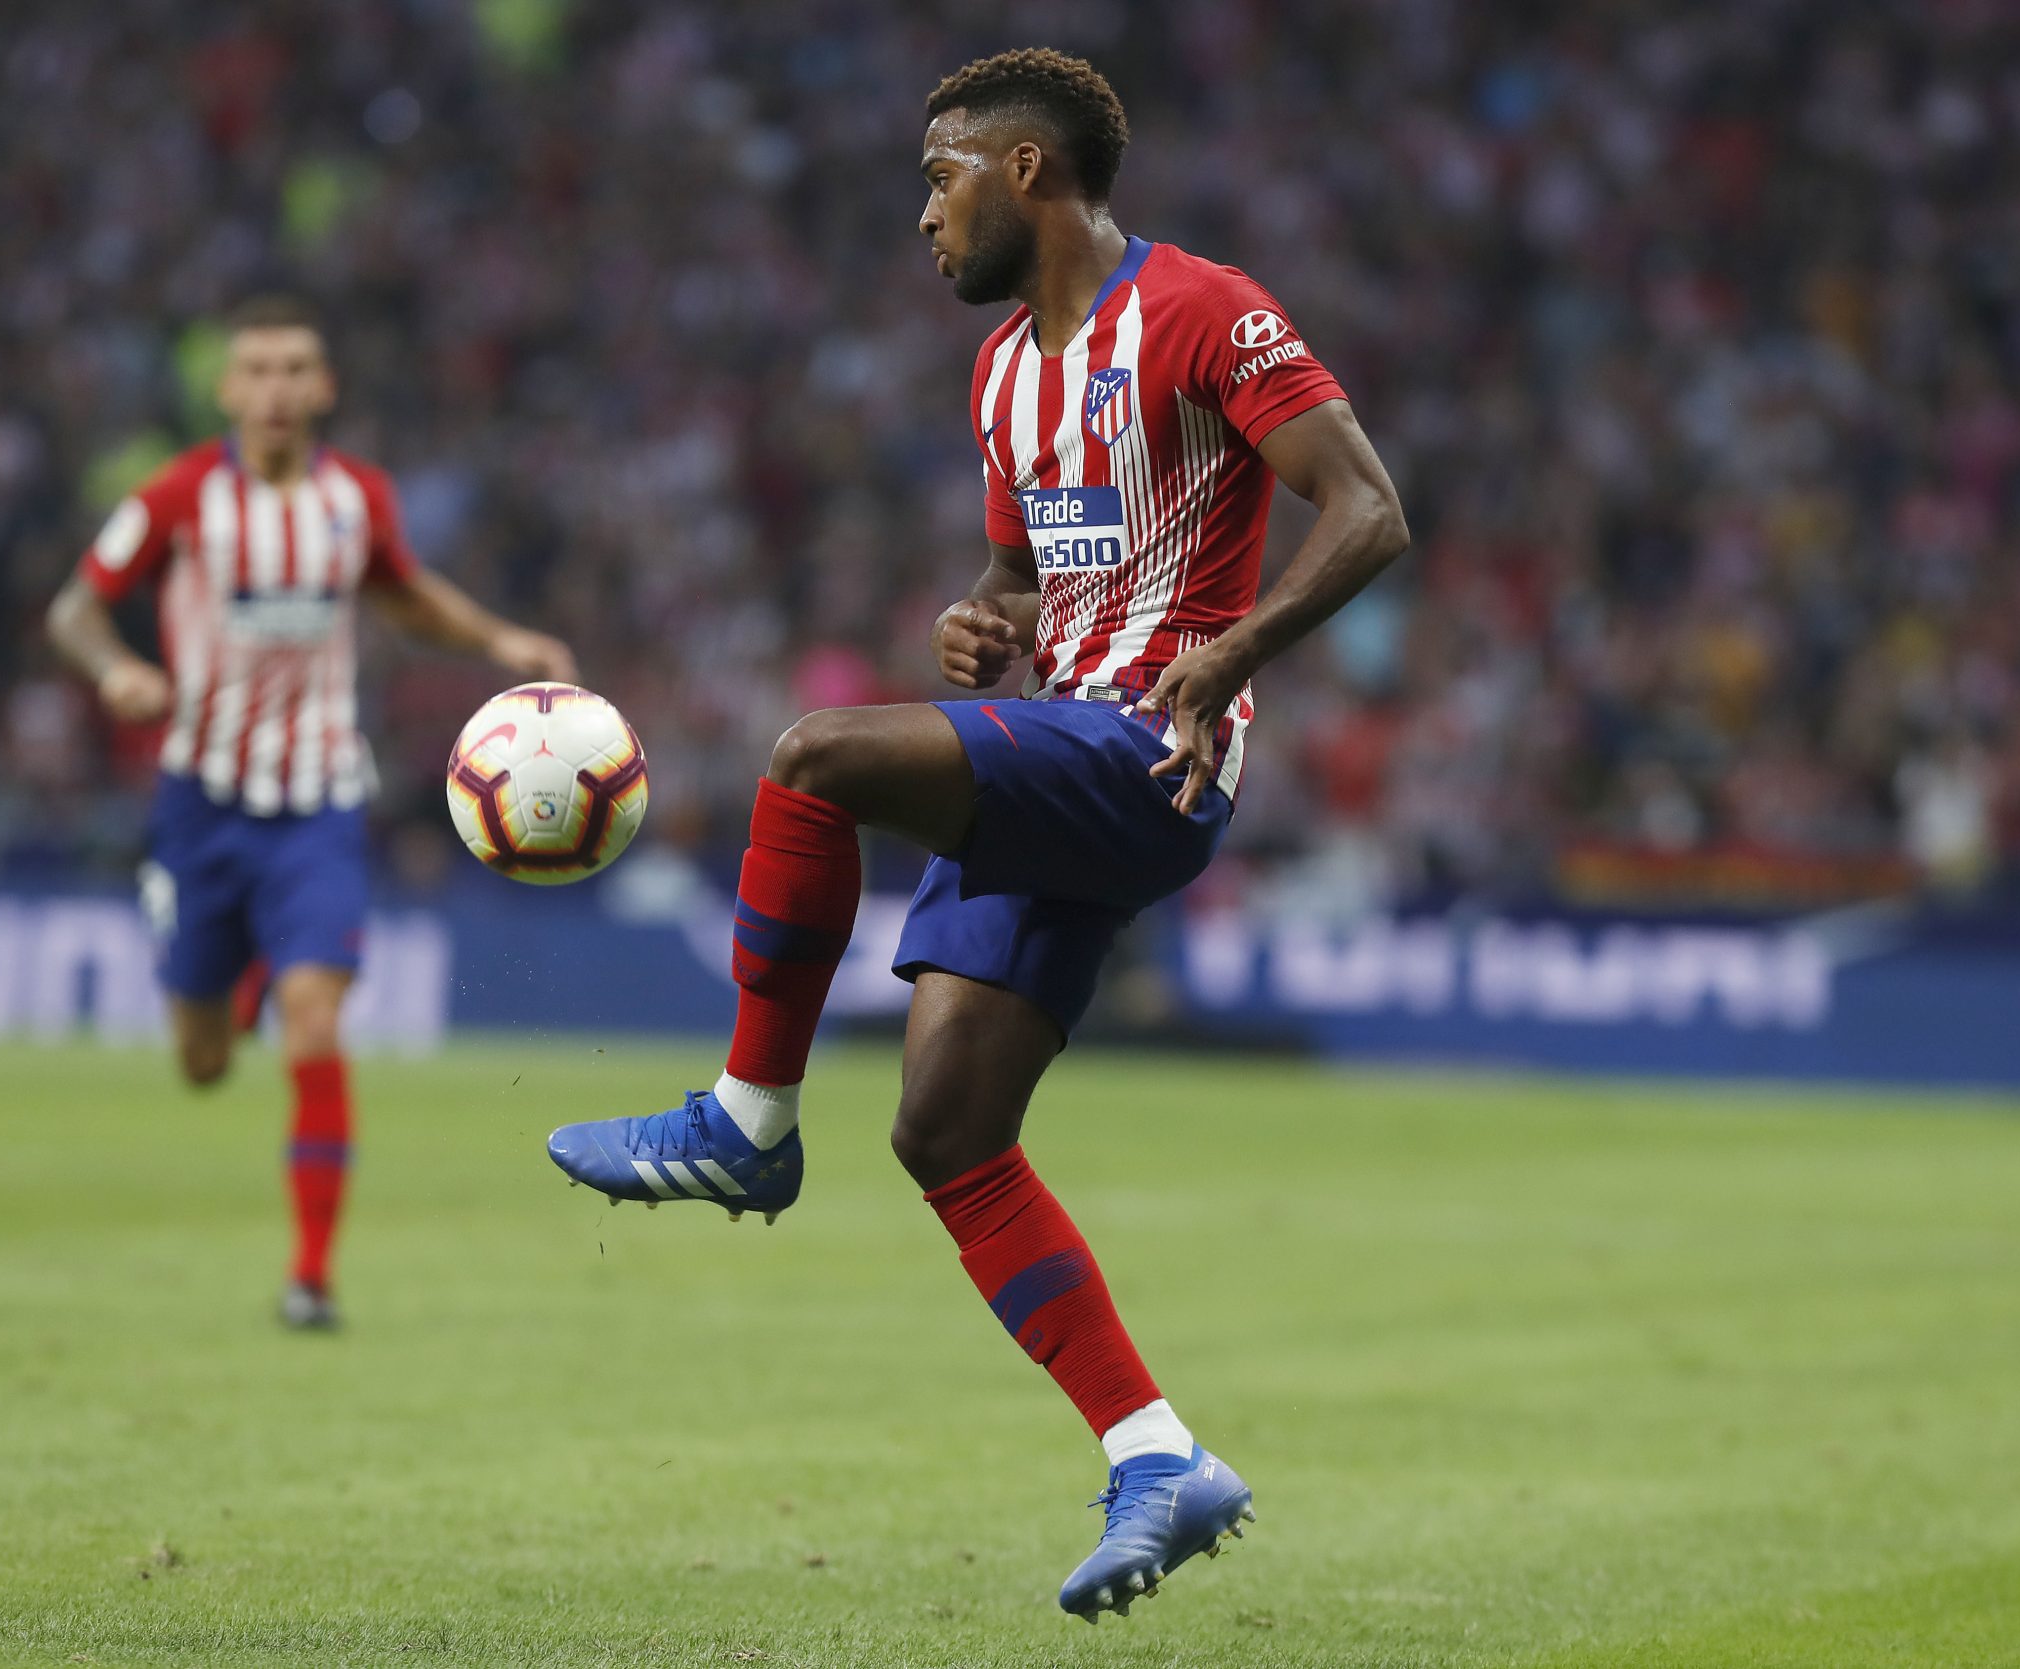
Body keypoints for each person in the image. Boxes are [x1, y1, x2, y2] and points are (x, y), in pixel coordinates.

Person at [546, 49, 1407, 1618]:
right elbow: (1021, 579)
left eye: (939, 179)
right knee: (945, 1130)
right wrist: (983, 618)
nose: (923, 216)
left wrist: (1231, 655)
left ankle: (745, 1122)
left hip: (1151, 750)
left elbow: (1368, 508)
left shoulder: (1204, 310)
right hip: (1066, 741)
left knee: (812, 758)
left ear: (1025, 170)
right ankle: (1159, 1456)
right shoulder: (1003, 372)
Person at [47, 294, 574, 1331]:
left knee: (316, 1021)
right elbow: (74, 608)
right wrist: (114, 671)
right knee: (203, 1062)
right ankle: (235, 970)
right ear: (227, 388)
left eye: (296, 369)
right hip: (200, 807)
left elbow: (403, 592)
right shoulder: (180, 495)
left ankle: (311, 1277)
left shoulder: (355, 498)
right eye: (259, 370)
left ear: (324, 386)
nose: (277, 389)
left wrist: (496, 640)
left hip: (319, 805)